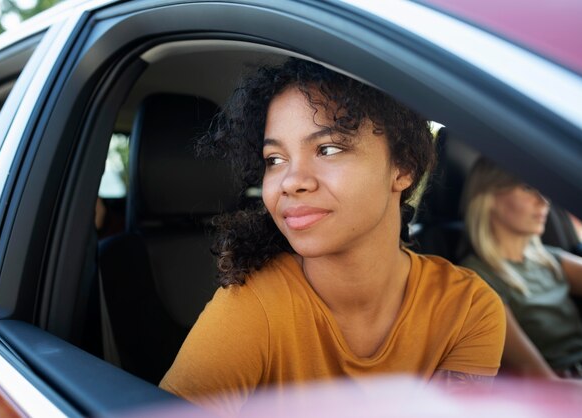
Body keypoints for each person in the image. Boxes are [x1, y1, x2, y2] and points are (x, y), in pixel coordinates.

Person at [159, 59, 506, 416]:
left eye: (327, 149)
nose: (291, 180)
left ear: (403, 167)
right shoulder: (252, 307)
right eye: (275, 159)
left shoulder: (468, 308)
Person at [460, 157, 582, 383]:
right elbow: (541, 380)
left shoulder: (549, 260)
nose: (544, 201)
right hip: (561, 397)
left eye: (543, 189)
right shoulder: (479, 277)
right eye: (528, 188)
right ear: (489, 197)